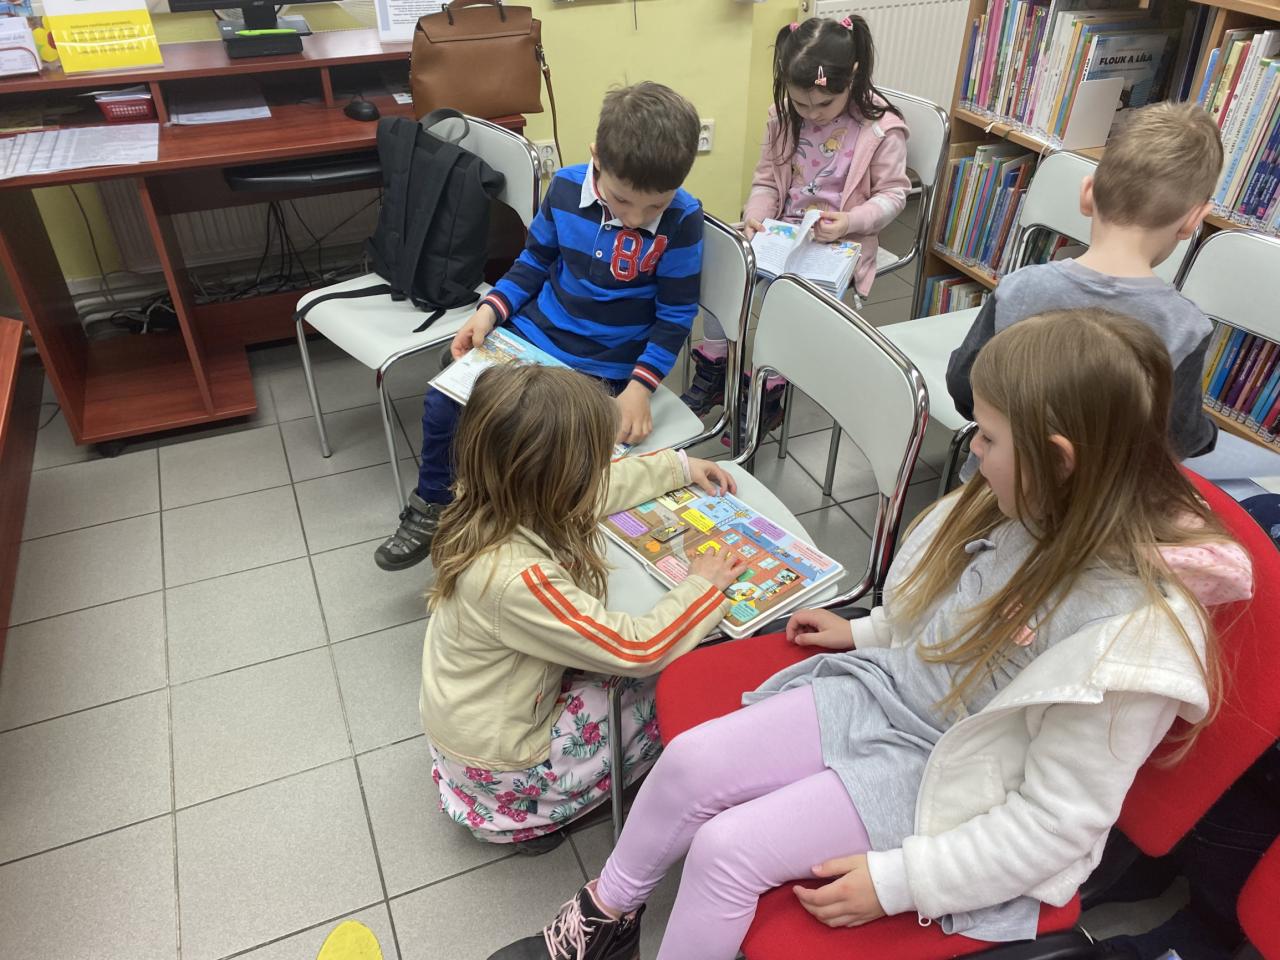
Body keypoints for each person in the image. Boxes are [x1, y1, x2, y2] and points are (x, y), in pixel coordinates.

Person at [490, 309, 1253, 960]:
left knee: (725, 852)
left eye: (987, 439)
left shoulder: (1131, 641)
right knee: (688, 761)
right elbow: (960, 616)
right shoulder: (1036, 506)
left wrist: (902, 882)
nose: (971, 453)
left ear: (1060, 461)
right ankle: (607, 916)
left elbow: (1051, 827)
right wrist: (872, 632)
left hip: (954, 784)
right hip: (897, 698)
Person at [376, 82, 704, 570]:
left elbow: (675, 317)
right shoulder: (566, 188)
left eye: (654, 206)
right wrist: (489, 312)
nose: (636, 218)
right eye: (622, 200)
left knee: (548, 443)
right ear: (596, 158)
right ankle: (435, 502)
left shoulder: (683, 219)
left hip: (606, 369)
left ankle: (514, 524)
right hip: (536, 335)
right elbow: (533, 263)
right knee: (445, 397)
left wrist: (639, 388)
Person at [421, 364, 745, 853]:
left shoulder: (493, 496)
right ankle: (522, 819)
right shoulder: (517, 577)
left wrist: (678, 468)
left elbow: (595, 488)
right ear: (556, 480)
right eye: (591, 461)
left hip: (473, 728)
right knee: (678, 687)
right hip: (505, 766)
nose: (599, 470)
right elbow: (638, 649)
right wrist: (701, 587)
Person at [947, 101, 1223, 464]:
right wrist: (1209, 435)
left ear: (1088, 192)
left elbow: (964, 382)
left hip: (997, 481)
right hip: (1105, 497)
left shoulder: (1020, 288)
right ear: (1193, 221)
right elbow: (1177, 437)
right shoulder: (1185, 327)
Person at [682, 15, 910, 436]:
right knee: (720, 265)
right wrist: (756, 215)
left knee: (778, 298)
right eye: (802, 104)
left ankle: (769, 390)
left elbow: (894, 195)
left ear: (852, 76)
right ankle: (716, 364)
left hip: (841, 244)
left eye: (824, 105)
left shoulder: (881, 129)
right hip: (783, 234)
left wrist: (849, 221)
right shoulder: (784, 118)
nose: (812, 114)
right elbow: (767, 181)